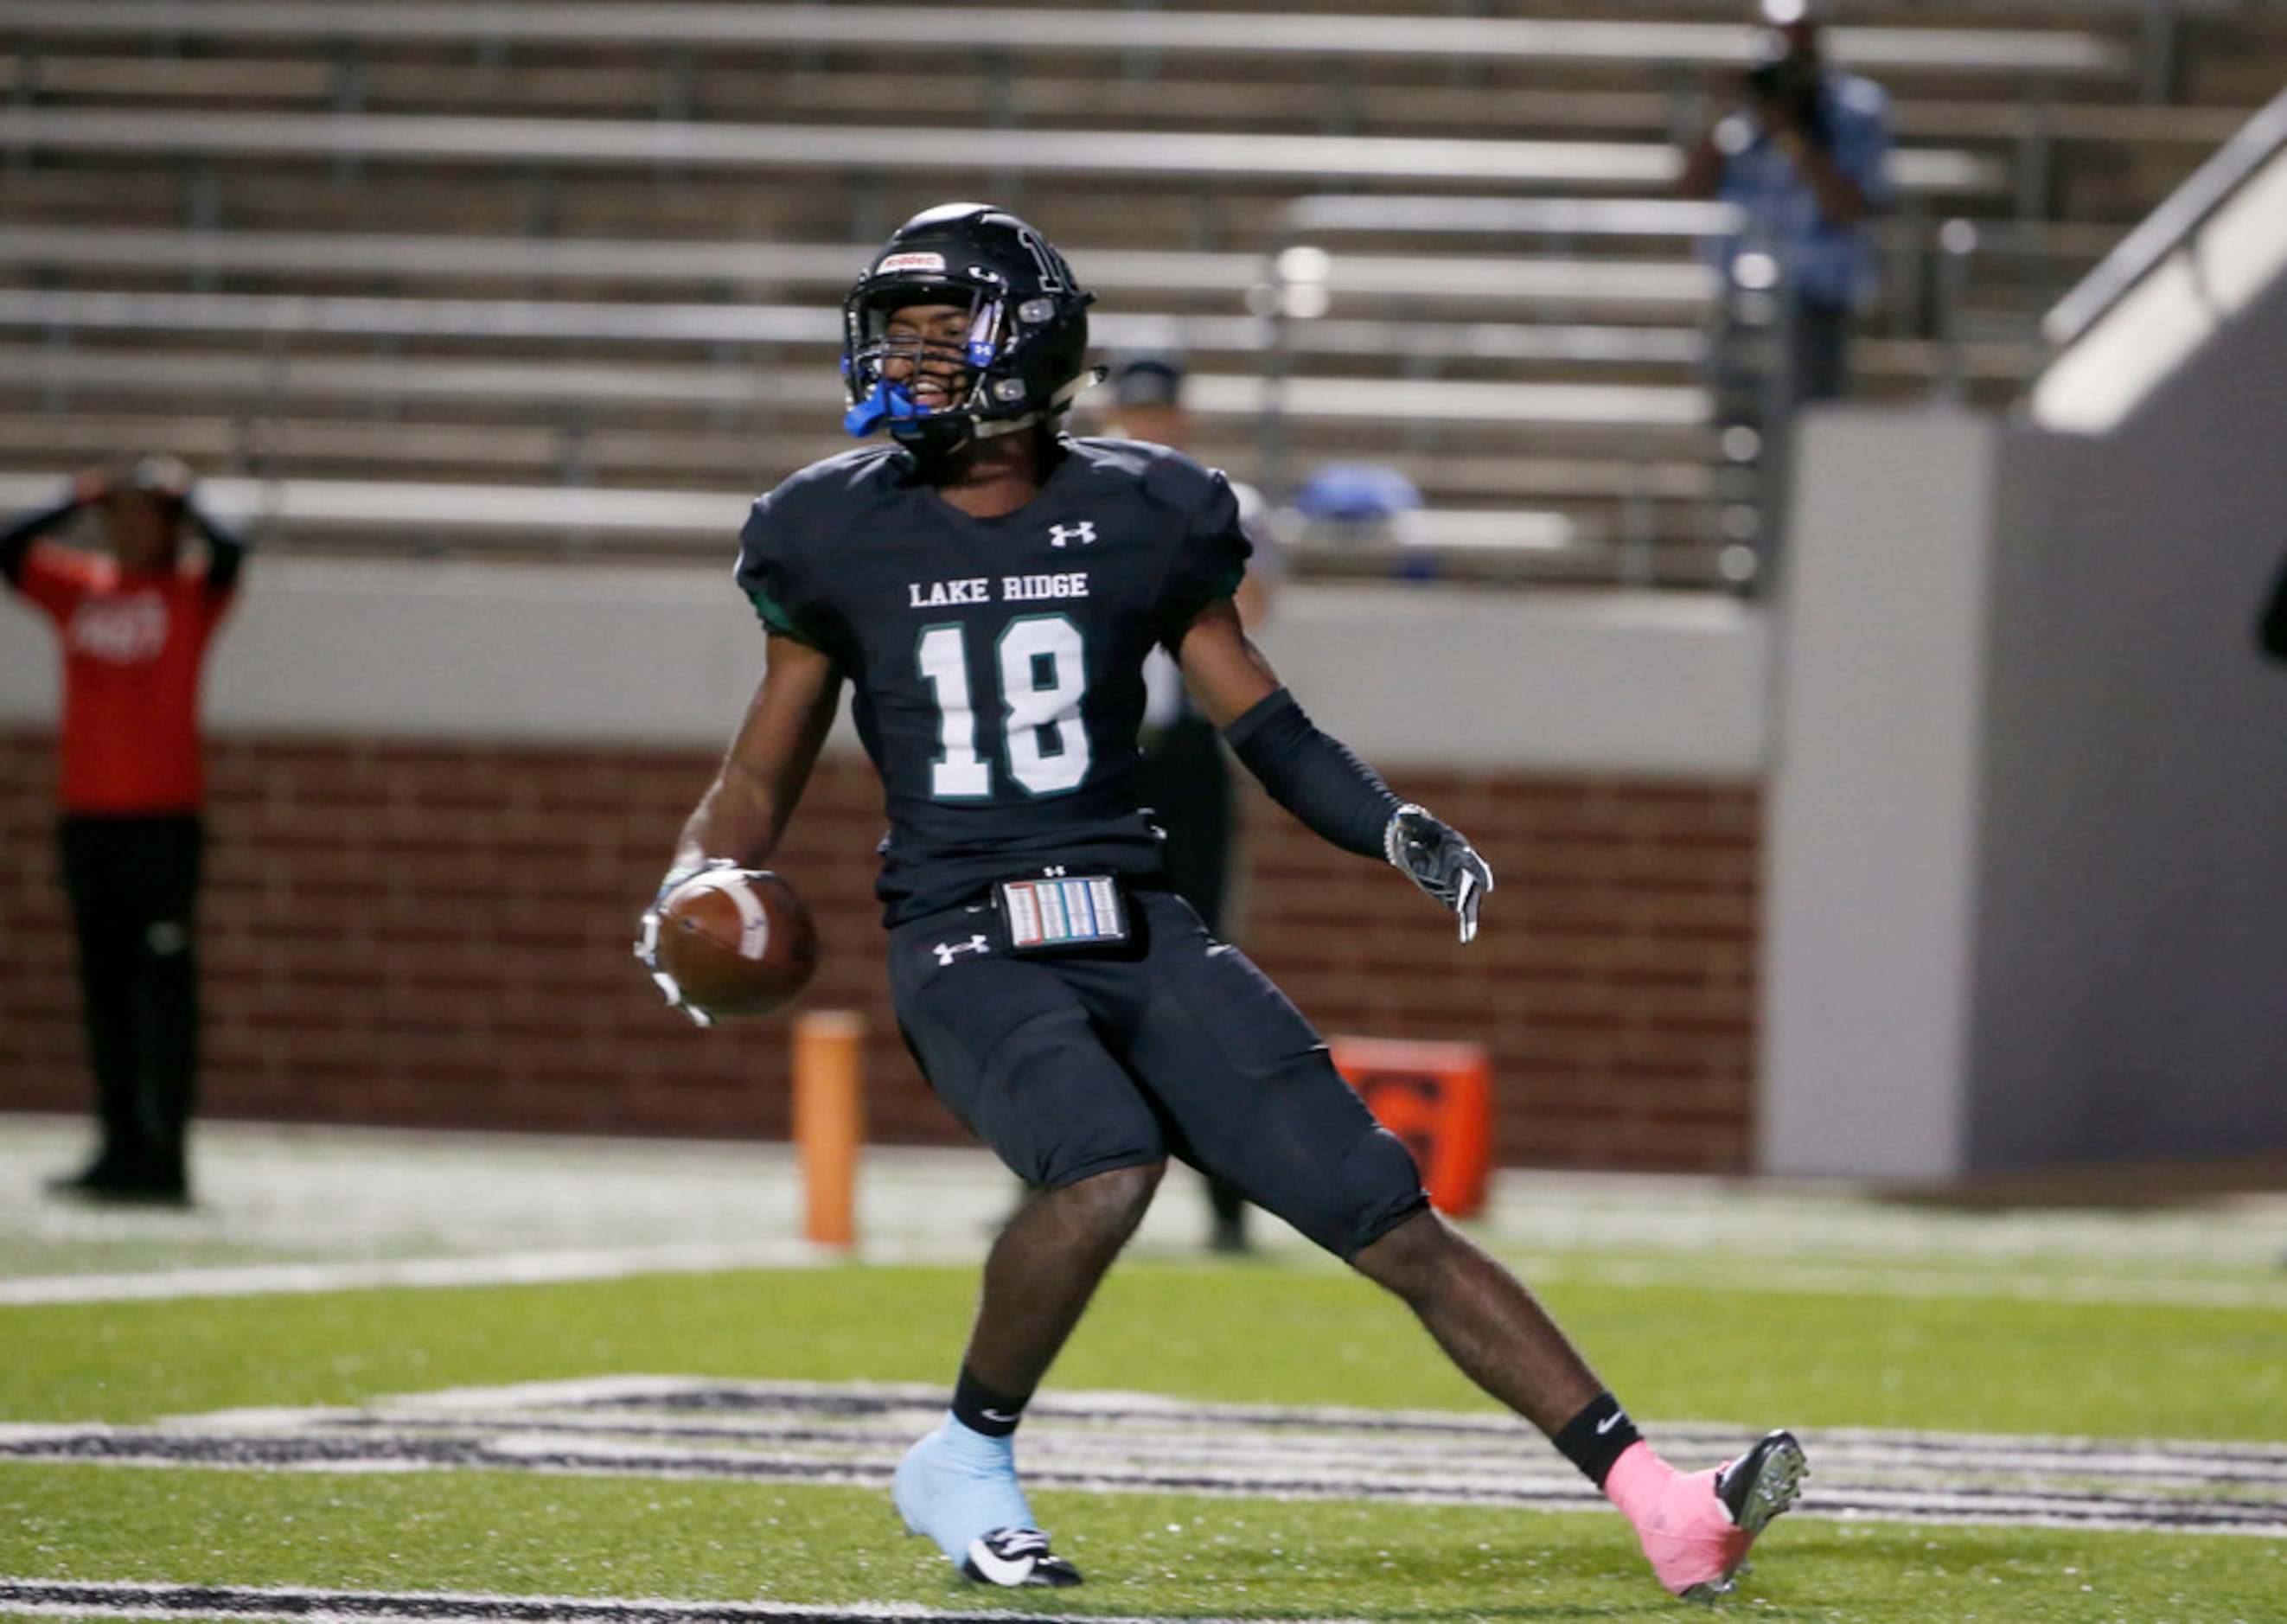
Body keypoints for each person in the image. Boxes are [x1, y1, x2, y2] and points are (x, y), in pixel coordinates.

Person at [636, 202, 1805, 1601]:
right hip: (963, 935)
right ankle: (965, 1455)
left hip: (1134, 916)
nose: (911, 361)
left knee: (1388, 1214)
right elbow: (762, 767)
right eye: (898, 334)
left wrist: (1388, 824)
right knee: (1106, 1158)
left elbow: (1265, 721)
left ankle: (1663, 1499)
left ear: (1030, 346)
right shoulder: (829, 530)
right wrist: (698, 871)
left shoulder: (1146, 509)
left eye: (943, 334)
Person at [2, 457, 249, 1205]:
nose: (127, 528)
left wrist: (184, 495)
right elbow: (7, 547)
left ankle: (166, 1151)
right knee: (104, 988)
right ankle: (117, 1147)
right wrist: (83, 492)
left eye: (144, 516)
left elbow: (235, 551)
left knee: (162, 988)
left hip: (164, 825)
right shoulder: (82, 590)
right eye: (120, 516)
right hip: (89, 820)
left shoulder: (189, 595)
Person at [1096, 347, 1272, 1253]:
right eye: (1133, 410)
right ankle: (1060, 1177)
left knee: (1201, 974)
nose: (1145, 427)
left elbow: (1253, 605)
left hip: (1186, 758)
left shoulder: (1216, 502)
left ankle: (1225, 1198)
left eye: (1158, 411)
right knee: (1070, 962)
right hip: (1094, 758)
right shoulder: (1068, 501)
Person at [1678, 0, 1894, 407]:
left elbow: (1849, 206)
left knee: (1806, 427)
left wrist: (1793, 135)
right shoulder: (1744, 109)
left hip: (1817, 299)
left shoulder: (1855, 108)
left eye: (1800, 35)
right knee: (1736, 427)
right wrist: (1722, 109)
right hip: (1740, 296)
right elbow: (1690, 187)